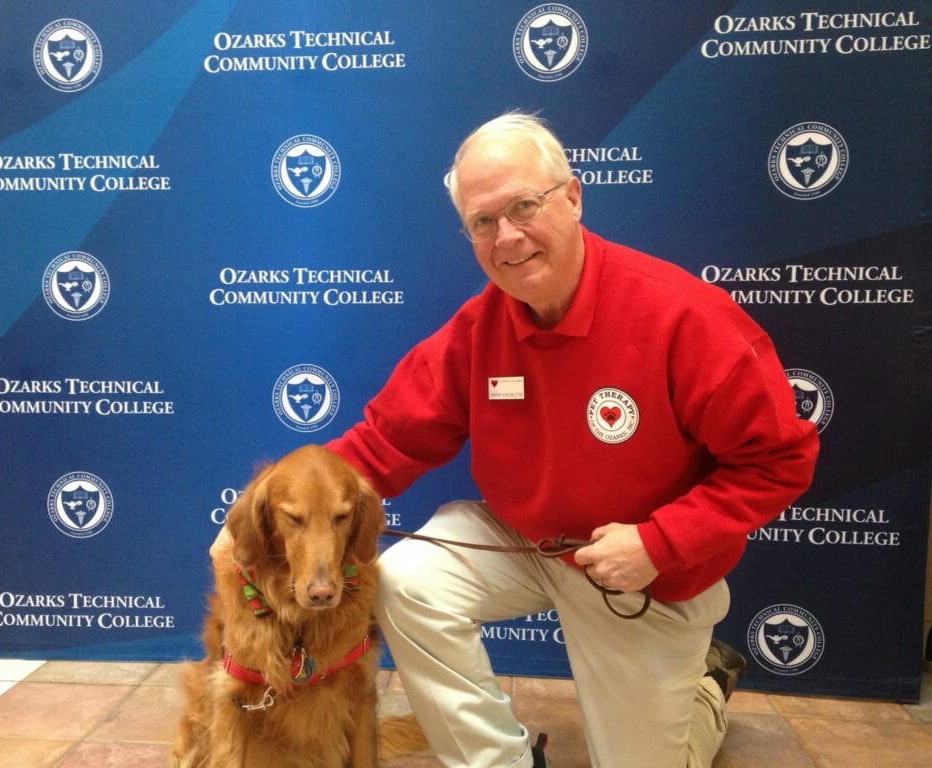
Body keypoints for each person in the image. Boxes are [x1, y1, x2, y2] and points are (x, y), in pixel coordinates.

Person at [224, 111, 820, 767]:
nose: (507, 237)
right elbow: (381, 445)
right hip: (530, 541)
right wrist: (256, 512)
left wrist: (659, 541)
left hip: (644, 568)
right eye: (483, 221)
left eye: (524, 207)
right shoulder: (480, 329)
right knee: (406, 578)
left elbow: (780, 461)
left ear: (572, 198)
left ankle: (702, 692)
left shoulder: (682, 317)